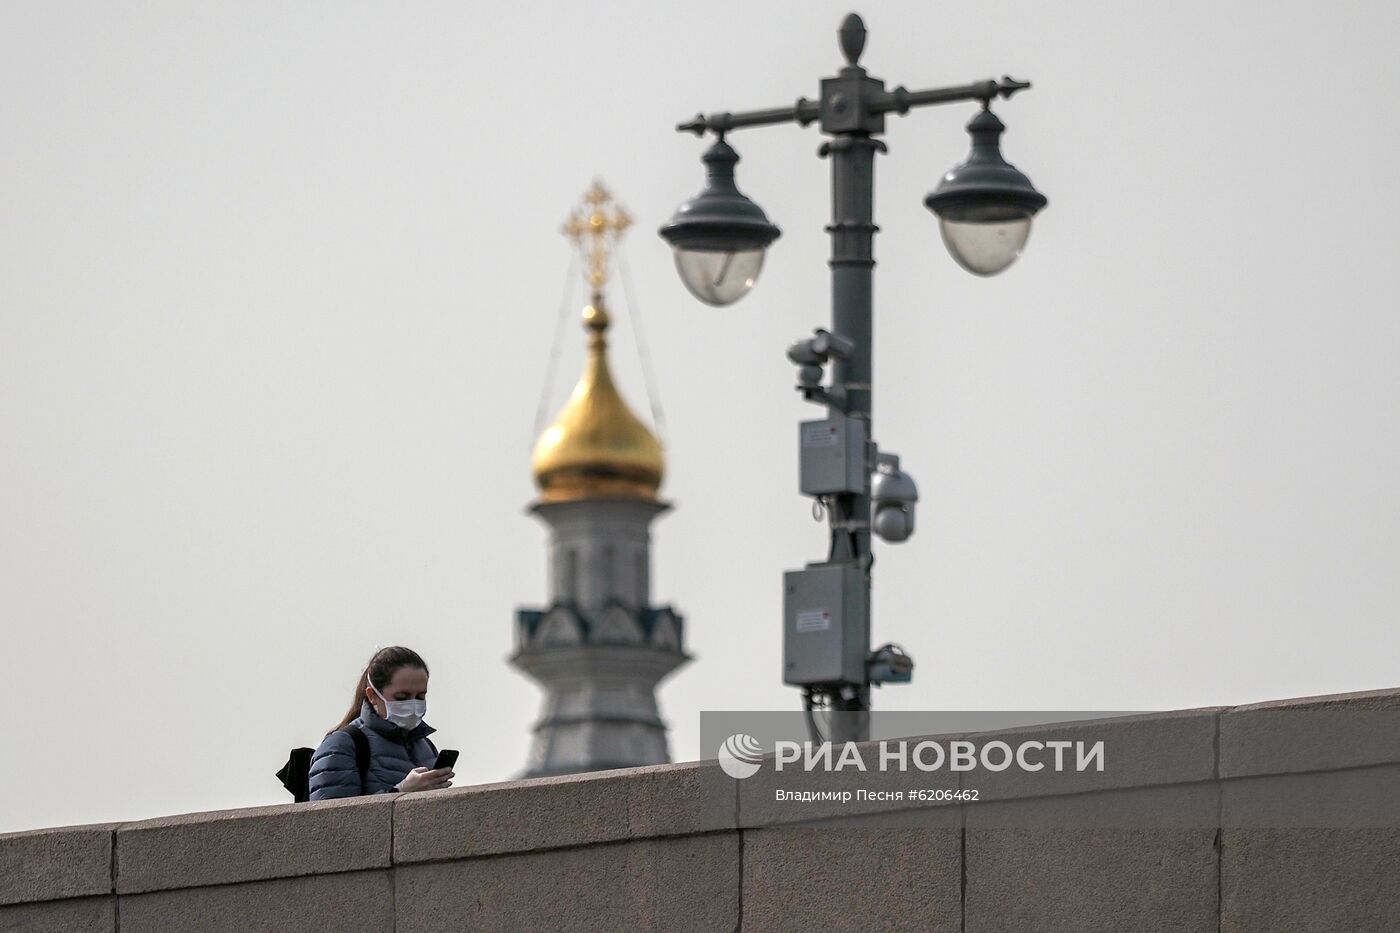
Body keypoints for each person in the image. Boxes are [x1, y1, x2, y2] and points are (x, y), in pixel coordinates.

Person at [309, 645, 454, 800]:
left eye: (420, 697)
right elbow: (332, 813)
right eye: (401, 697)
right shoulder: (342, 745)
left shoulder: (425, 746)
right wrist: (401, 792)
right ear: (372, 696)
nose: (412, 705)